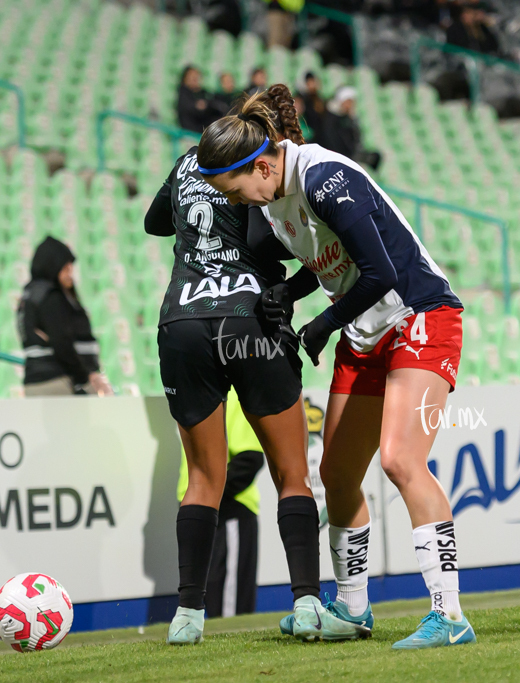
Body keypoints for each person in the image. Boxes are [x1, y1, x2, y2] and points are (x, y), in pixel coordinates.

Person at [197, 90, 472, 651]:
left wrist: (320, 324)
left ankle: (451, 616)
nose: (241, 202)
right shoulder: (275, 201)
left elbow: (380, 271)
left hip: (418, 316)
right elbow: (328, 263)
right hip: (366, 331)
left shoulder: (324, 178)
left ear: (264, 165)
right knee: (339, 476)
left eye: (237, 189)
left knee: (400, 459)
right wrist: (287, 293)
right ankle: (352, 609)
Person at [143, 83, 368, 645]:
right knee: (291, 473)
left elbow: (154, 223)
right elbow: (315, 255)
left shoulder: (187, 164)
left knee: (202, 478)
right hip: (252, 321)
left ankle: (188, 616)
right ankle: (310, 603)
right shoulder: (267, 183)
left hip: (184, 323)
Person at [177, 389, 264, 617]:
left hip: (226, 510)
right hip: (210, 509)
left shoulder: (230, 394)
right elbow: (250, 458)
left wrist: (208, 496)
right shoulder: (217, 392)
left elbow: (249, 460)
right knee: (218, 605)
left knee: (225, 608)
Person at [16, 236, 112, 396]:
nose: (70, 275)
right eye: (66, 269)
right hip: (55, 381)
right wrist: (85, 377)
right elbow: (61, 341)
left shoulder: (29, 294)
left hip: (35, 379)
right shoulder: (50, 296)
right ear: (53, 266)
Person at [317, 86, 382, 171]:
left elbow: (356, 139)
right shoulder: (330, 118)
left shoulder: (348, 118)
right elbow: (333, 141)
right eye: (349, 102)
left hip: (348, 153)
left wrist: (352, 119)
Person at [177, 66, 221, 133]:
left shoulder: (203, 93)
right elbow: (191, 110)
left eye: (196, 76)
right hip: (191, 131)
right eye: (192, 76)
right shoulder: (183, 94)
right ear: (185, 78)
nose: (195, 79)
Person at [298, 72, 325, 142]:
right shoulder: (303, 100)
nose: (312, 85)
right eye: (309, 82)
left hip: (320, 136)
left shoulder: (320, 100)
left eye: (313, 82)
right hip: (308, 135)